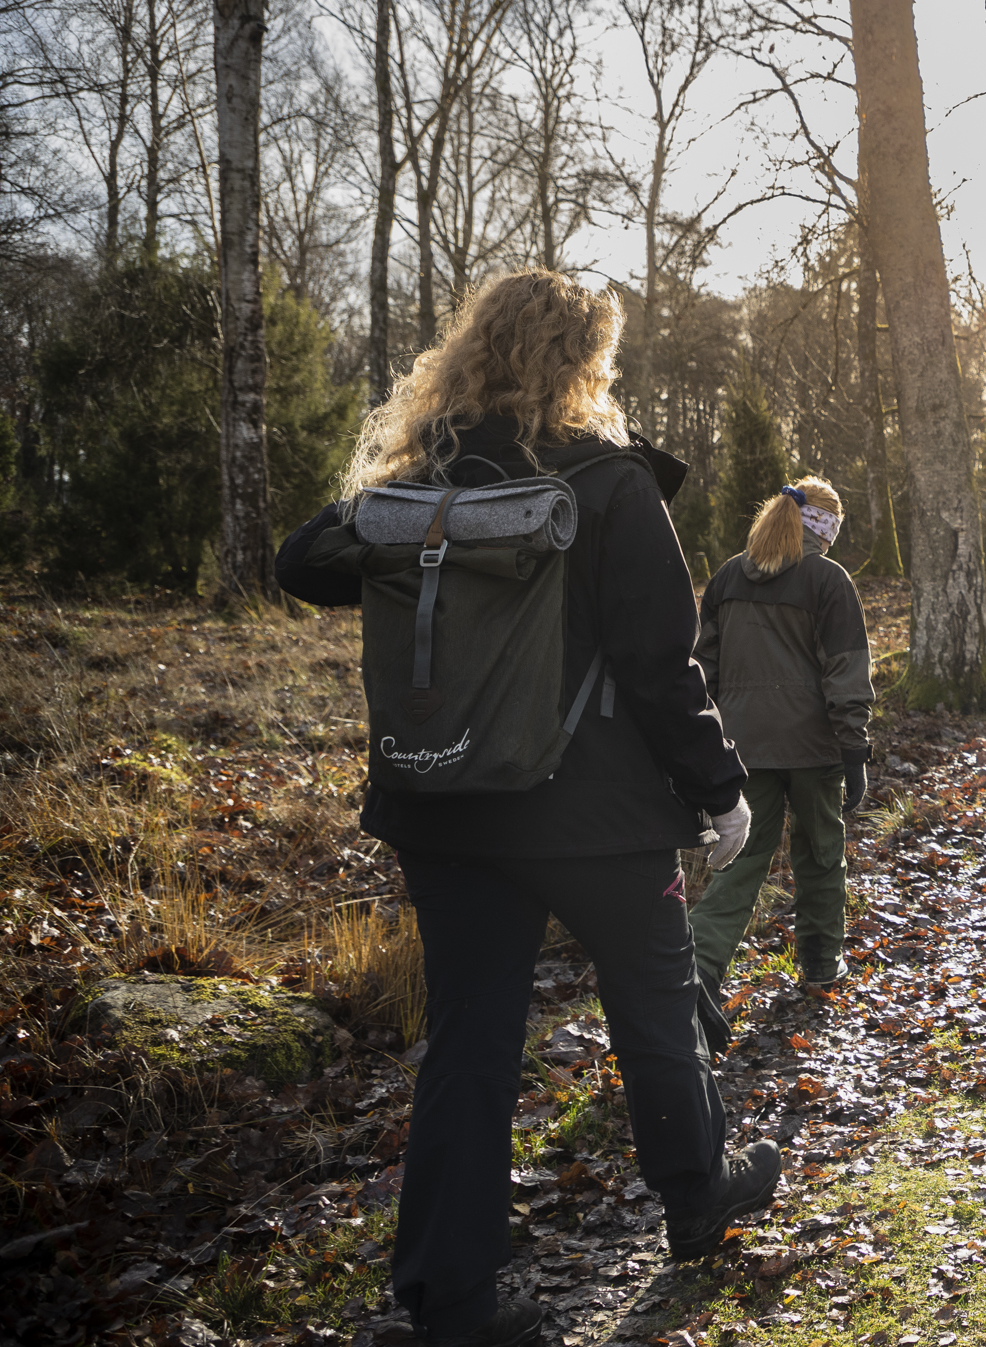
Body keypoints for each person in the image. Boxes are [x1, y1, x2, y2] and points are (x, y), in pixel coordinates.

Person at [275, 269, 778, 1347]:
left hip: (445, 811)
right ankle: (696, 1196)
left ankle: (450, 1300)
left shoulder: (425, 483)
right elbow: (660, 665)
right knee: (654, 1001)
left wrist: (405, 490)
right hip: (598, 818)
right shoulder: (610, 485)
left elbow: (300, 563)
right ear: (585, 363)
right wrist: (719, 789)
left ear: (471, 351)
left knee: (468, 1042)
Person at [691, 477, 874, 996]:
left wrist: (707, 744)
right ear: (825, 528)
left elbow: (703, 672)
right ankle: (821, 966)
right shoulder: (829, 580)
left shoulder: (728, 577)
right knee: (821, 855)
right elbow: (846, 671)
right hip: (814, 748)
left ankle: (695, 974)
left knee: (741, 860)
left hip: (742, 747)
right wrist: (855, 750)